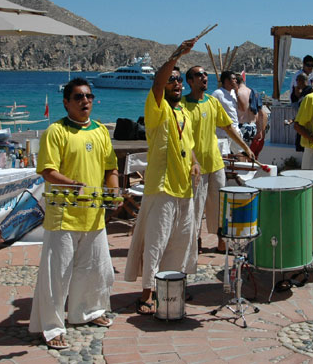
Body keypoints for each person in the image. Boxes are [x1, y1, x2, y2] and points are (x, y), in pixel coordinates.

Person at [29, 78, 119, 349]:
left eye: (89, 96)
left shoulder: (100, 130)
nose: (85, 101)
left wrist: (113, 194)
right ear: (66, 101)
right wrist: (72, 184)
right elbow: (47, 170)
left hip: (93, 215)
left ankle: (87, 312)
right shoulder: (55, 132)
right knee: (57, 275)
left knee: (96, 270)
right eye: (78, 97)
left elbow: (110, 168)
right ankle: (53, 326)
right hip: (63, 216)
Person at [124, 38, 201, 316]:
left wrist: (194, 164)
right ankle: (147, 293)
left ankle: (173, 287)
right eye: (173, 80)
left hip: (184, 189)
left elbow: (188, 144)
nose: (177, 84)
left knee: (180, 242)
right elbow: (157, 83)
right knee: (155, 242)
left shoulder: (184, 113)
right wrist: (178, 54)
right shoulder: (157, 108)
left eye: (180, 80)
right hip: (162, 186)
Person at [183, 66, 255, 253]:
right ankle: (195, 242)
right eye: (199, 75)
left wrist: (246, 147)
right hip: (195, 165)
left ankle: (222, 242)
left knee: (221, 206)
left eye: (205, 74)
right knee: (196, 207)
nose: (204, 77)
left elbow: (229, 127)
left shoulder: (212, 102)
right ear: (190, 81)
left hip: (215, 163)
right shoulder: (182, 106)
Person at [236, 76, 268, 156]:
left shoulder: (236, 93)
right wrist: (260, 131)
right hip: (253, 127)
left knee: (240, 156)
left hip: (242, 127)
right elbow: (261, 113)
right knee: (250, 155)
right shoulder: (254, 93)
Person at [211, 70, 240, 151]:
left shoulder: (234, 93)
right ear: (226, 80)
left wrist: (237, 91)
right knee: (225, 156)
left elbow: (242, 108)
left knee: (242, 154)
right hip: (223, 133)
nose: (236, 81)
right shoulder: (218, 93)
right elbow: (212, 111)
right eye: (233, 79)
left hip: (235, 130)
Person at [291, 73, 313, 152]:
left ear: (301, 80)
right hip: (301, 119)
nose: (297, 82)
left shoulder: (310, 90)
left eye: (297, 80)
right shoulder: (302, 92)